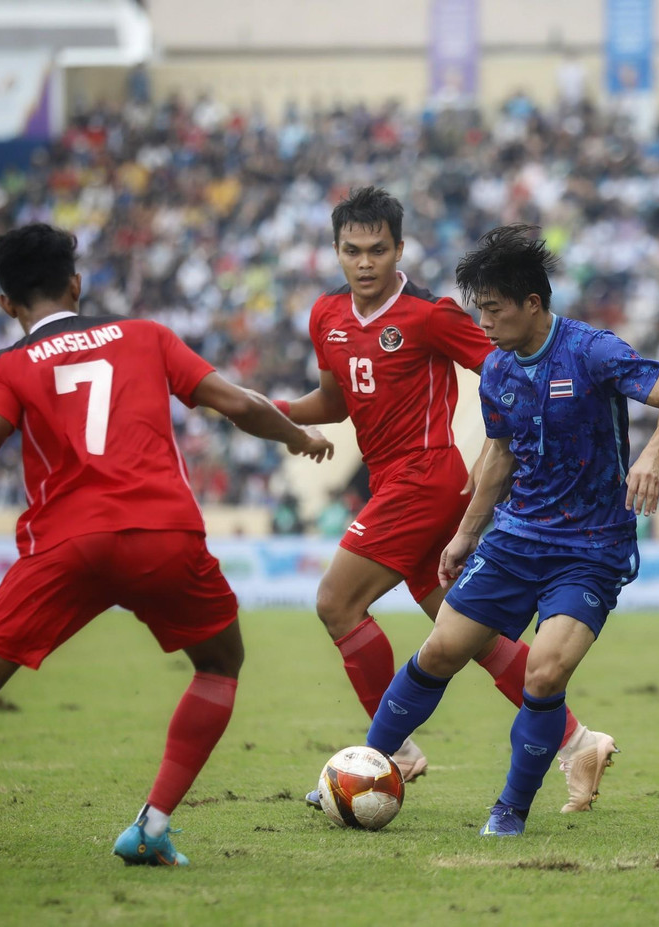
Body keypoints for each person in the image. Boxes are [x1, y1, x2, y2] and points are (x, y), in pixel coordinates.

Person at [0, 224, 334, 876]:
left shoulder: (2, 366)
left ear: (5, 303)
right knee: (220, 662)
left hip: (67, 544)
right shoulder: (145, 335)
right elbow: (235, 403)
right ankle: (152, 825)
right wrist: (295, 436)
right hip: (162, 533)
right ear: (77, 284)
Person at [275, 188, 617, 812]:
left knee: (336, 602)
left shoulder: (427, 315)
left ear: (399, 249)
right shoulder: (326, 316)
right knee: (467, 634)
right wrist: (277, 414)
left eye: (379, 249)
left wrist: (528, 438)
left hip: (427, 478)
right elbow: (334, 400)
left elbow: (505, 361)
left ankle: (391, 753)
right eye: (353, 251)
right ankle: (579, 742)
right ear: (336, 253)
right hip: (393, 484)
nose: (366, 262)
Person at [360, 226, 659, 836]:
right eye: (479, 310)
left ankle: (510, 810)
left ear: (532, 305)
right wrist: (465, 534)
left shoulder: (592, 351)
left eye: (493, 310)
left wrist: (650, 458)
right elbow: (498, 454)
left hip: (591, 548)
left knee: (543, 672)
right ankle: (364, 768)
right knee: (440, 650)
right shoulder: (496, 371)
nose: (483, 324)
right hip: (515, 539)